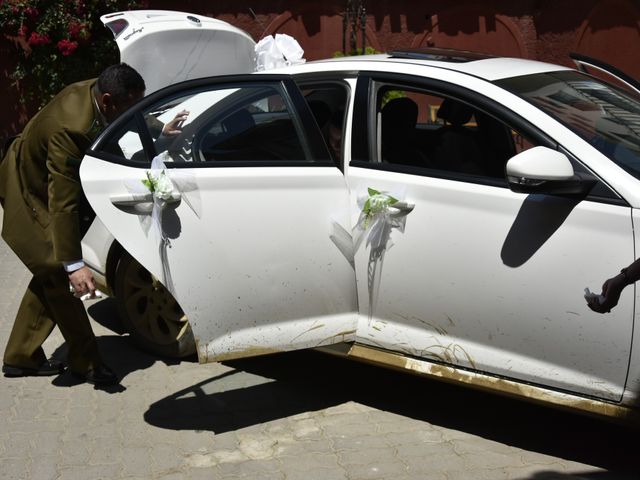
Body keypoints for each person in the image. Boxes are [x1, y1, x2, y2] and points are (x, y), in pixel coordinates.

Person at [0, 63, 146, 385]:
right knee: (58, 272)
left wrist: (160, 128)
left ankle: (20, 356)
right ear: (107, 101)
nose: (132, 113)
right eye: (128, 107)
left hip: (43, 183)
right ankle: (87, 363)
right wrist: (74, 263)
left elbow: (132, 111)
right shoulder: (72, 128)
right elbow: (61, 202)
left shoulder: (102, 90)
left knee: (47, 274)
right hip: (27, 190)